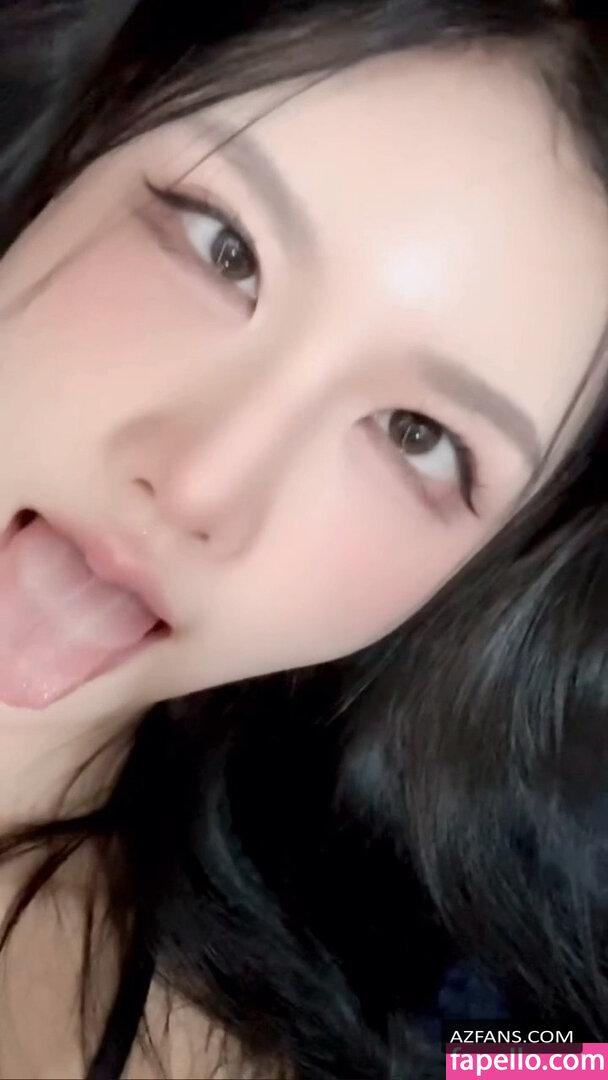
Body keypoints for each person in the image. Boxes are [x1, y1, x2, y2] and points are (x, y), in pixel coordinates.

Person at [0, 0, 607, 1076]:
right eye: (222, 247)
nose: (202, 484)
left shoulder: (382, 1033)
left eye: (417, 437)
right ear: (72, 145)